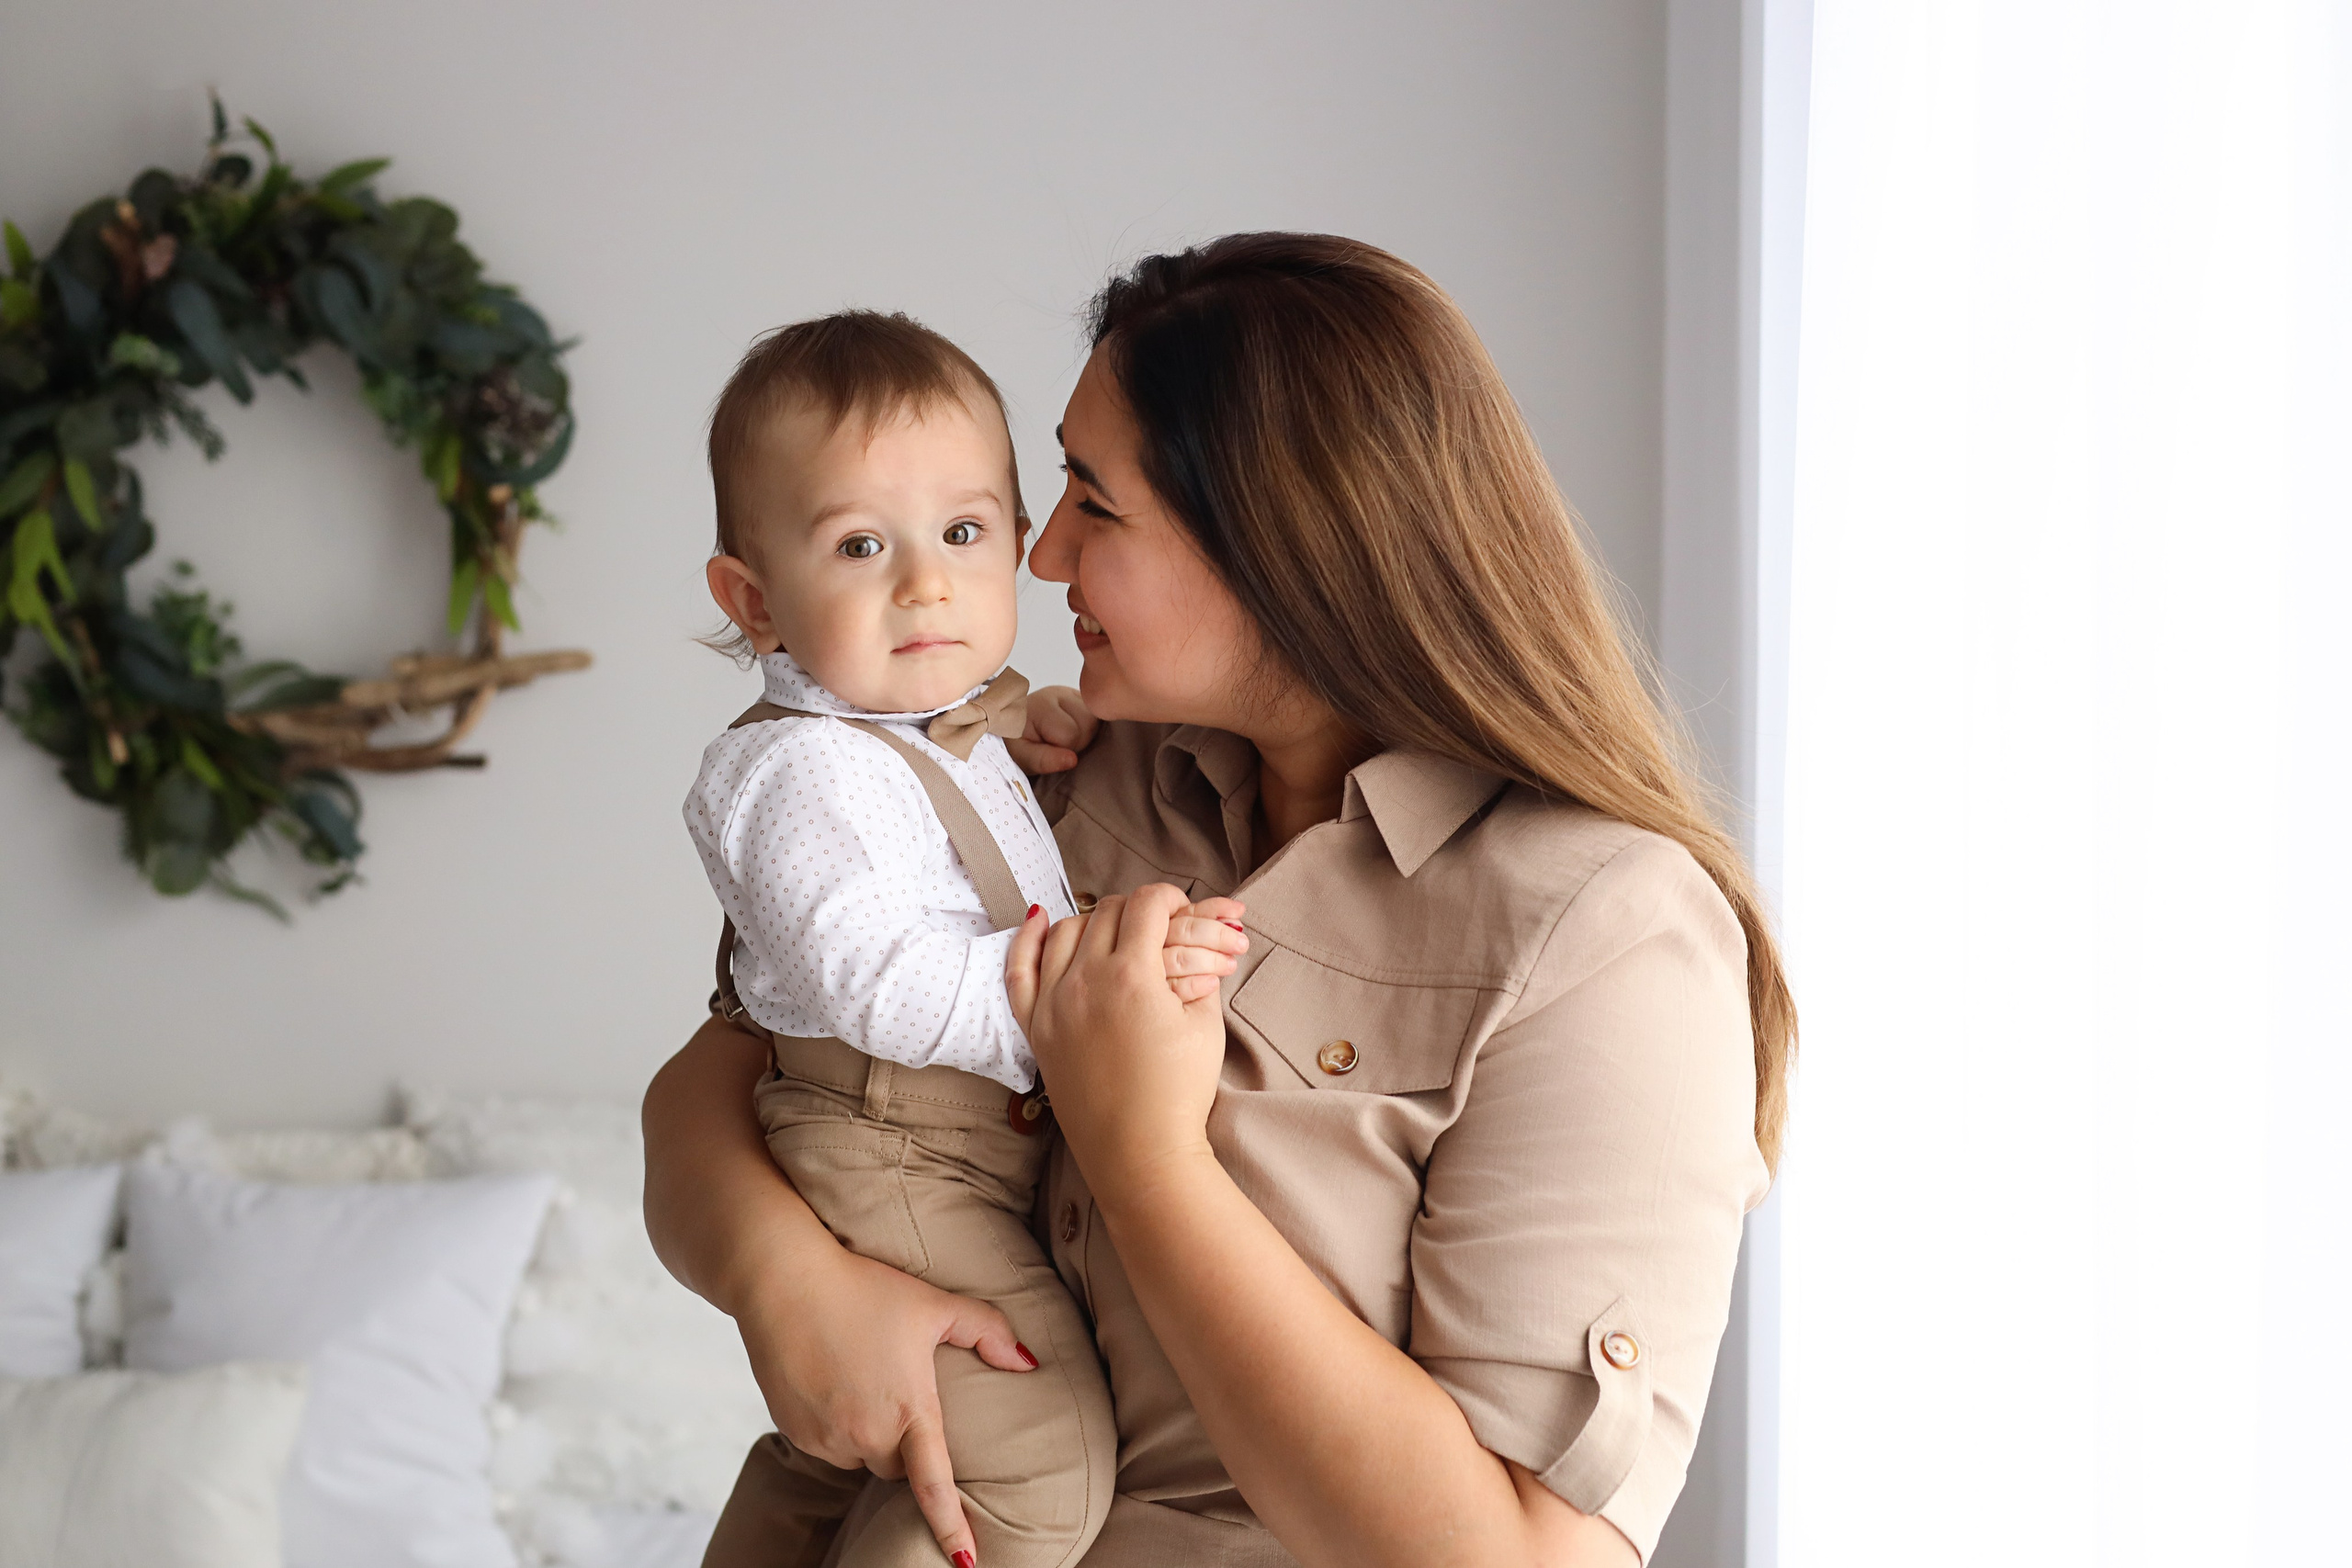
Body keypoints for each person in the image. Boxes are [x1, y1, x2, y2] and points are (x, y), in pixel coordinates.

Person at [649, 234, 1793, 1568]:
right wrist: (789, 1287)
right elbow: (719, 1080)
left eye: (1092, 503)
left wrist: (1150, 1166)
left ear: (1276, 542)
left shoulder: (1603, 933)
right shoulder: (1057, 772)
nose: (1041, 557)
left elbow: (1523, 1556)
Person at [686, 310, 1248, 1568]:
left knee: (853, 1441)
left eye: (962, 533)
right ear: (754, 599)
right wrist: (1095, 989)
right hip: (890, 1144)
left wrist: (1019, 735)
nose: (926, 583)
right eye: (860, 545)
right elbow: (881, 980)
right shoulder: (800, 775)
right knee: (1037, 1462)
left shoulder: (945, 727)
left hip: (951, 1150)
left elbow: (957, 832)